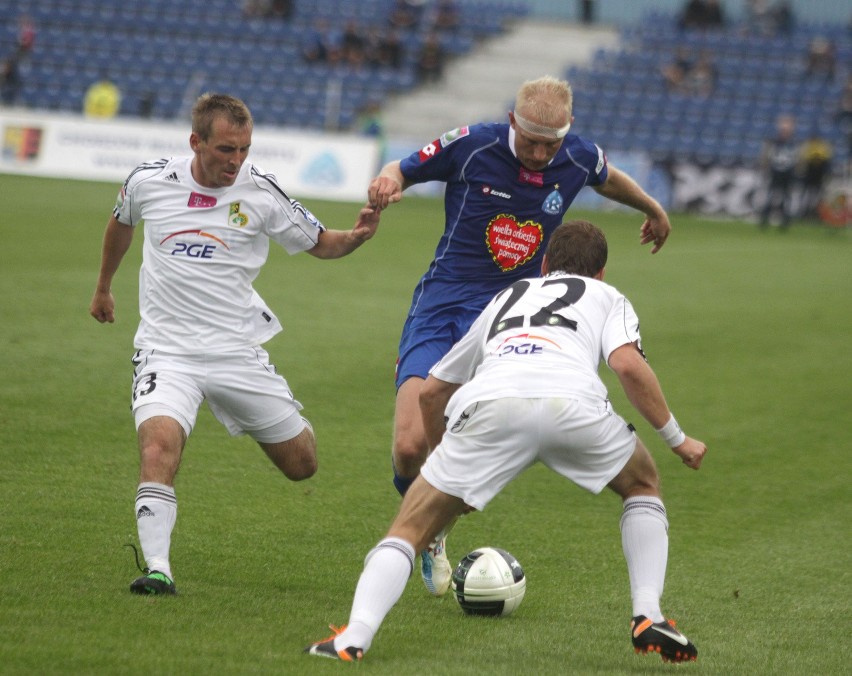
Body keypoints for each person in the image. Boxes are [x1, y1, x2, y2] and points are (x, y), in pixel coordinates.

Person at [305, 219, 707, 663]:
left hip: (491, 403)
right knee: (642, 484)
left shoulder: (506, 297)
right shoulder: (608, 296)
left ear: (545, 263)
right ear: (601, 274)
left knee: (411, 528)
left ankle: (354, 635)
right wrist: (677, 439)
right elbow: (628, 367)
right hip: (573, 405)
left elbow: (434, 390)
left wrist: (446, 468)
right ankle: (648, 615)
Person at [366, 75, 673, 598]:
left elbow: (609, 177)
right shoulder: (471, 145)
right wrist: (388, 182)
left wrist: (653, 209)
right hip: (442, 307)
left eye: (549, 144)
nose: (538, 153)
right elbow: (402, 166)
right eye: (530, 140)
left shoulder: (576, 156)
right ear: (513, 121)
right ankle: (434, 528)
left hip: (511, 321)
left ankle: (426, 531)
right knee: (409, 445)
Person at [89, 93, 380, 595]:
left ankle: (272, 411)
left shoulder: (261, 192)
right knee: (158, 446)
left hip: (235, 352)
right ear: (196, 142)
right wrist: (103, 287)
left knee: (301, 465)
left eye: (244, 148)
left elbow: (320, 243)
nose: (237, 160)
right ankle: (158, 568)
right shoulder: (149, 181)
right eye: (226, 149)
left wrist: (357, 236)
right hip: (166, 348)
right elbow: (121, 223)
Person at [759, 114, 799, 229]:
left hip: (788, 172)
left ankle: (785, 221)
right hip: (775, 171)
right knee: (771, 195)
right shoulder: (774, 141)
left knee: (786, 197)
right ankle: (765, 218)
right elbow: (766, 156)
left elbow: (797, 158)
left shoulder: (794, 142)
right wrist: (766, 167)